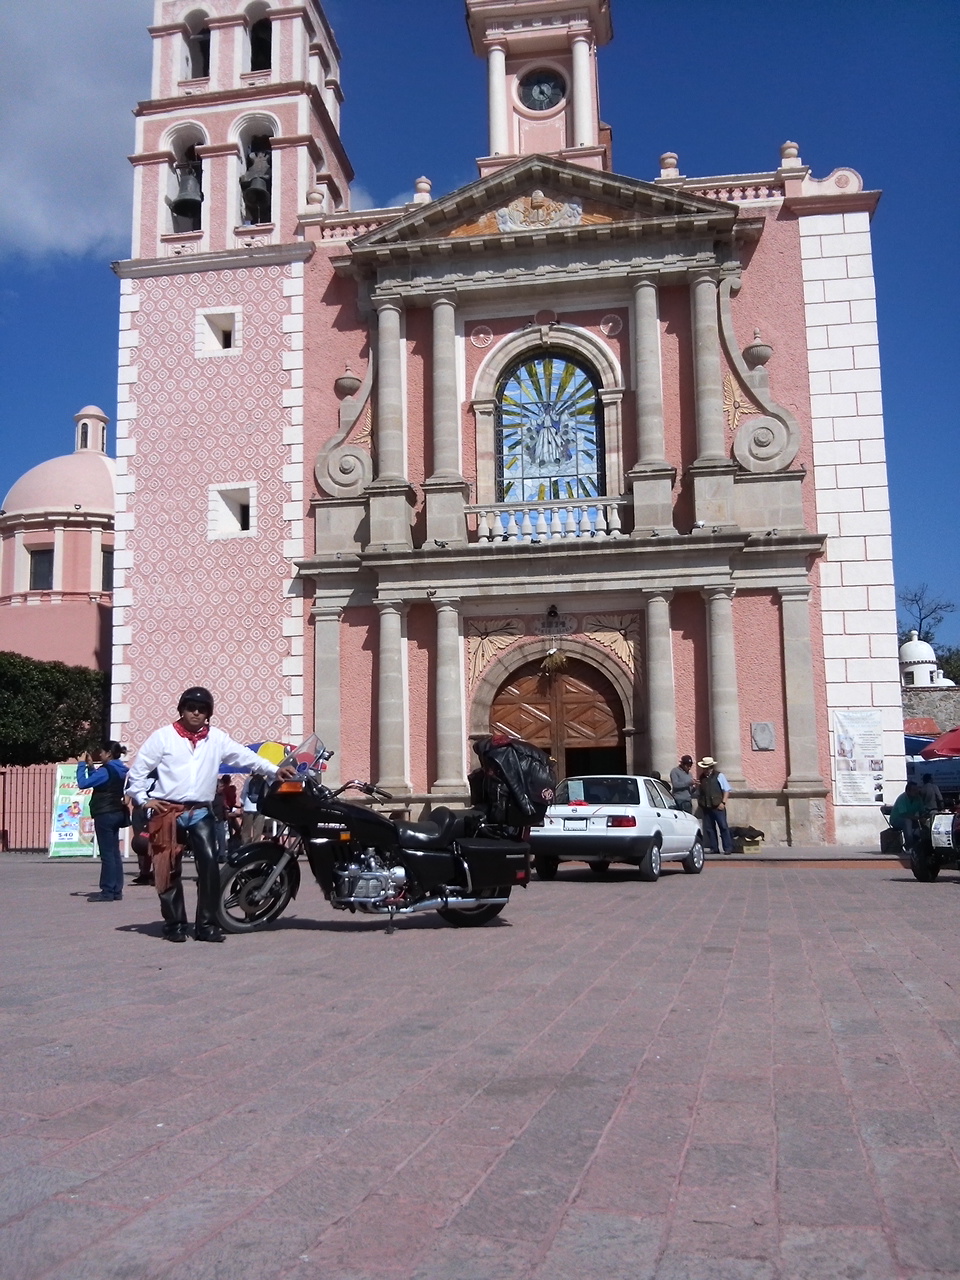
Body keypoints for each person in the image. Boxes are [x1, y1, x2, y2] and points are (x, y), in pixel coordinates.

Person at [126, 687, 294, 943]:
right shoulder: (163, 737)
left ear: (208, 714)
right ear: (181, 709)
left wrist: (274, 770)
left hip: (200, 811)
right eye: (191, 707)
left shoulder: (216, 738)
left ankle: (206, 924)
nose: (196, 712)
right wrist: (143, 799)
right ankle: (174, 924)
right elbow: (138, 770)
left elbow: (245, 756)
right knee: (167, 869)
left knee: (209, 868)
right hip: (168, 811)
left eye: (202, 709)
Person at [76, 742, 129, 901]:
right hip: (117, 811)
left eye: (102, 752)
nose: (100, 755)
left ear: (109, 754)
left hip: (105, 813)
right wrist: (92, 767)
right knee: (114, 853)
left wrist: (81, 765)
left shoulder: (106, 770)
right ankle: (117, 890)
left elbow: (83, 783)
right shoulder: (121, 769)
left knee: (107, 854)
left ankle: (107, 890)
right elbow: (102, 783)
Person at [698, 756, 733, 855]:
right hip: (706, 806)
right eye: (704, 768)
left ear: (711, 767)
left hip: (718, 806)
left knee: (723, 827)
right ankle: (714, 848)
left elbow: (726, 790)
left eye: (706, 768)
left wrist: (723, 803)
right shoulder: (702, 777)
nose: (705, 770)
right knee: (709, 828)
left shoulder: (719, 776)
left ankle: (728, 848)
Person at [889, 782, 925, 853]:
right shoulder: (902, 798)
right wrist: (918, 818)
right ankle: (909, 846)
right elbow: (904, 814)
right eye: (914, 790)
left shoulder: (918, 798)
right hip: (897, 820)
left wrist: (924, 817)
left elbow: (922, 811)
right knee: (907, 821)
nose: (916, 792)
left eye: (917, 789)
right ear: (907, 791)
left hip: (912, 819)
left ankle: (919, 845)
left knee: (918, 824)